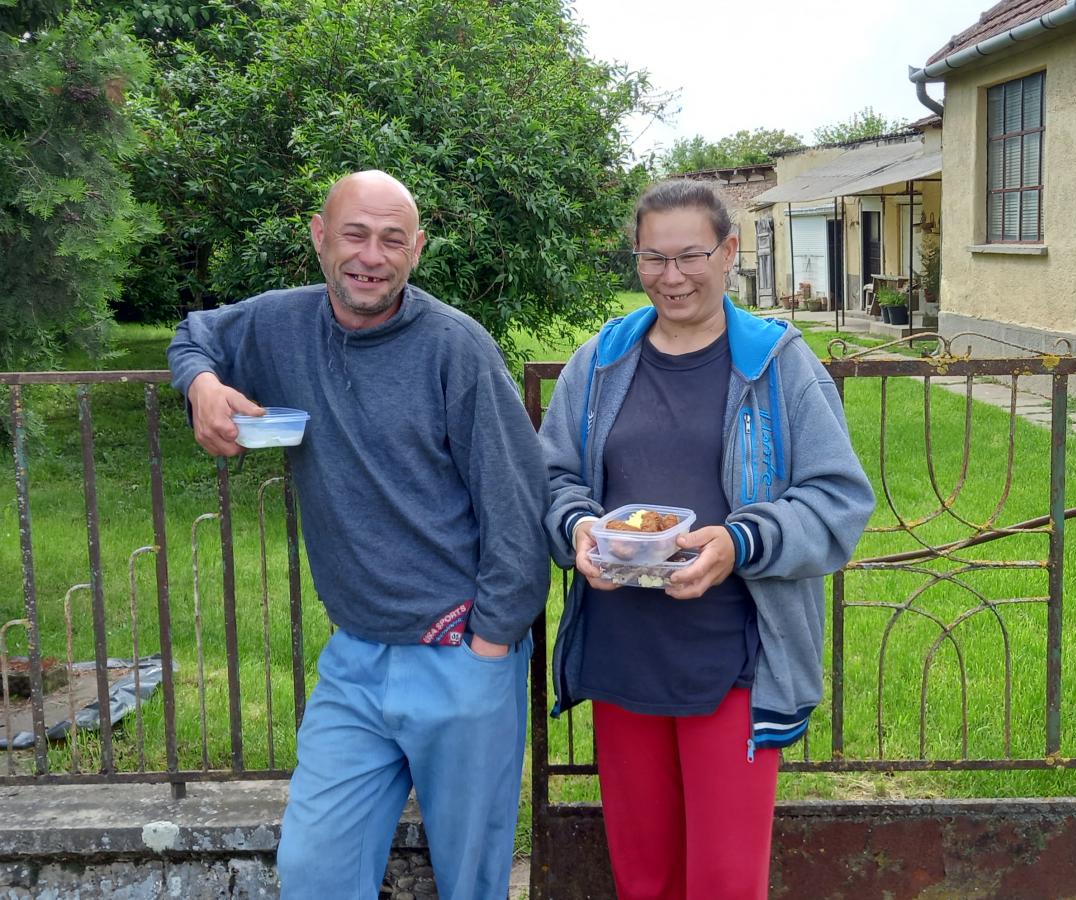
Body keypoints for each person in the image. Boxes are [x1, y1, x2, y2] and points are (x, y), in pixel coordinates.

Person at [167, 170, 548, 900]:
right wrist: (201, 385)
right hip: (355, 660)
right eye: (354, 234)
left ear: (417, 249)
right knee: (316, 870)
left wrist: (491, 642)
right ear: (318, 235)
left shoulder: (456, 347)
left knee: (471, 881)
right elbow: (198, 333)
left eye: (391, 239)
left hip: (460, 654)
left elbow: (517, 501)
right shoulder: (282, 324)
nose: (371, 256)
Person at [539, 181, 875, 900]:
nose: (672, 276)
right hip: (623, 649)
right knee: (643, 877)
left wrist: (739, 543)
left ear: (729, 253)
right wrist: (578, 527)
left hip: (733, 658)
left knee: (724, 880)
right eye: (652, 258)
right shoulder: (599, 362)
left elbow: (839, 500)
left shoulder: (777, 363)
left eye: (690, 255)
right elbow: (551, 476)